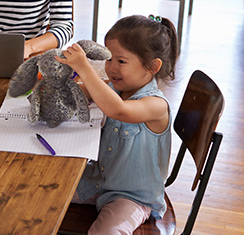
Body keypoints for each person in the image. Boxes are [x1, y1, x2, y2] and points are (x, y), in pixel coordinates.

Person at [56, 15, 179, 235]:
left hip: (131, 196)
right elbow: (86, 91)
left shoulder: (156, 105)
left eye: (121, 61)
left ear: (152, 66)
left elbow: (118, 110)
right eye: (109, 58)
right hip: (99, 180)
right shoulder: (116, 88)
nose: (111, 68)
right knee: (42, 189)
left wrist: (85, 69)